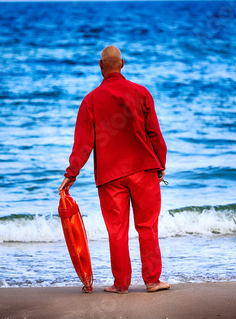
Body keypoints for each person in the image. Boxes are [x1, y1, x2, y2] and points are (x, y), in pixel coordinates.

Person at [59, 45, 170, 294]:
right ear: (122, 64)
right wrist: (161, 163)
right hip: (144, 169)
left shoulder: (90, 101)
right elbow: (155, 133)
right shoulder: (141, 93)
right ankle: (152, 281)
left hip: (110, 177)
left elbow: (83, 144)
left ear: (100, 66)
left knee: (117, 232)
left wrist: (71, 174)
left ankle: (121, 285)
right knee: (147, 227)